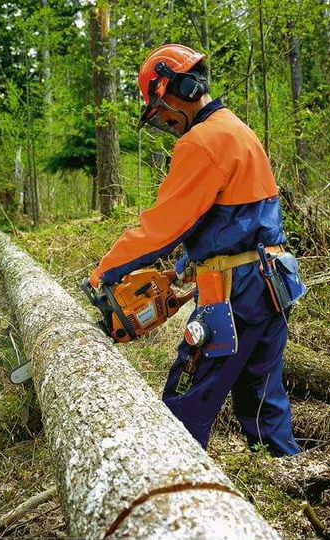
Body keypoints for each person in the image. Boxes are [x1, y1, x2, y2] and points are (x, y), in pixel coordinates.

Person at [89, 44, 305, 457]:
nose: (167, 122)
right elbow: (238, 217)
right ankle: (291, 475)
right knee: (262, 399)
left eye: (163, 110)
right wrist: (191, 265)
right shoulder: (237, 129)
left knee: (184, 401)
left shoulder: (202, 142)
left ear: (178, 89)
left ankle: (174, 490)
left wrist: (106, 271)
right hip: (272, 282)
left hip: (235, 295)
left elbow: (161, 229)